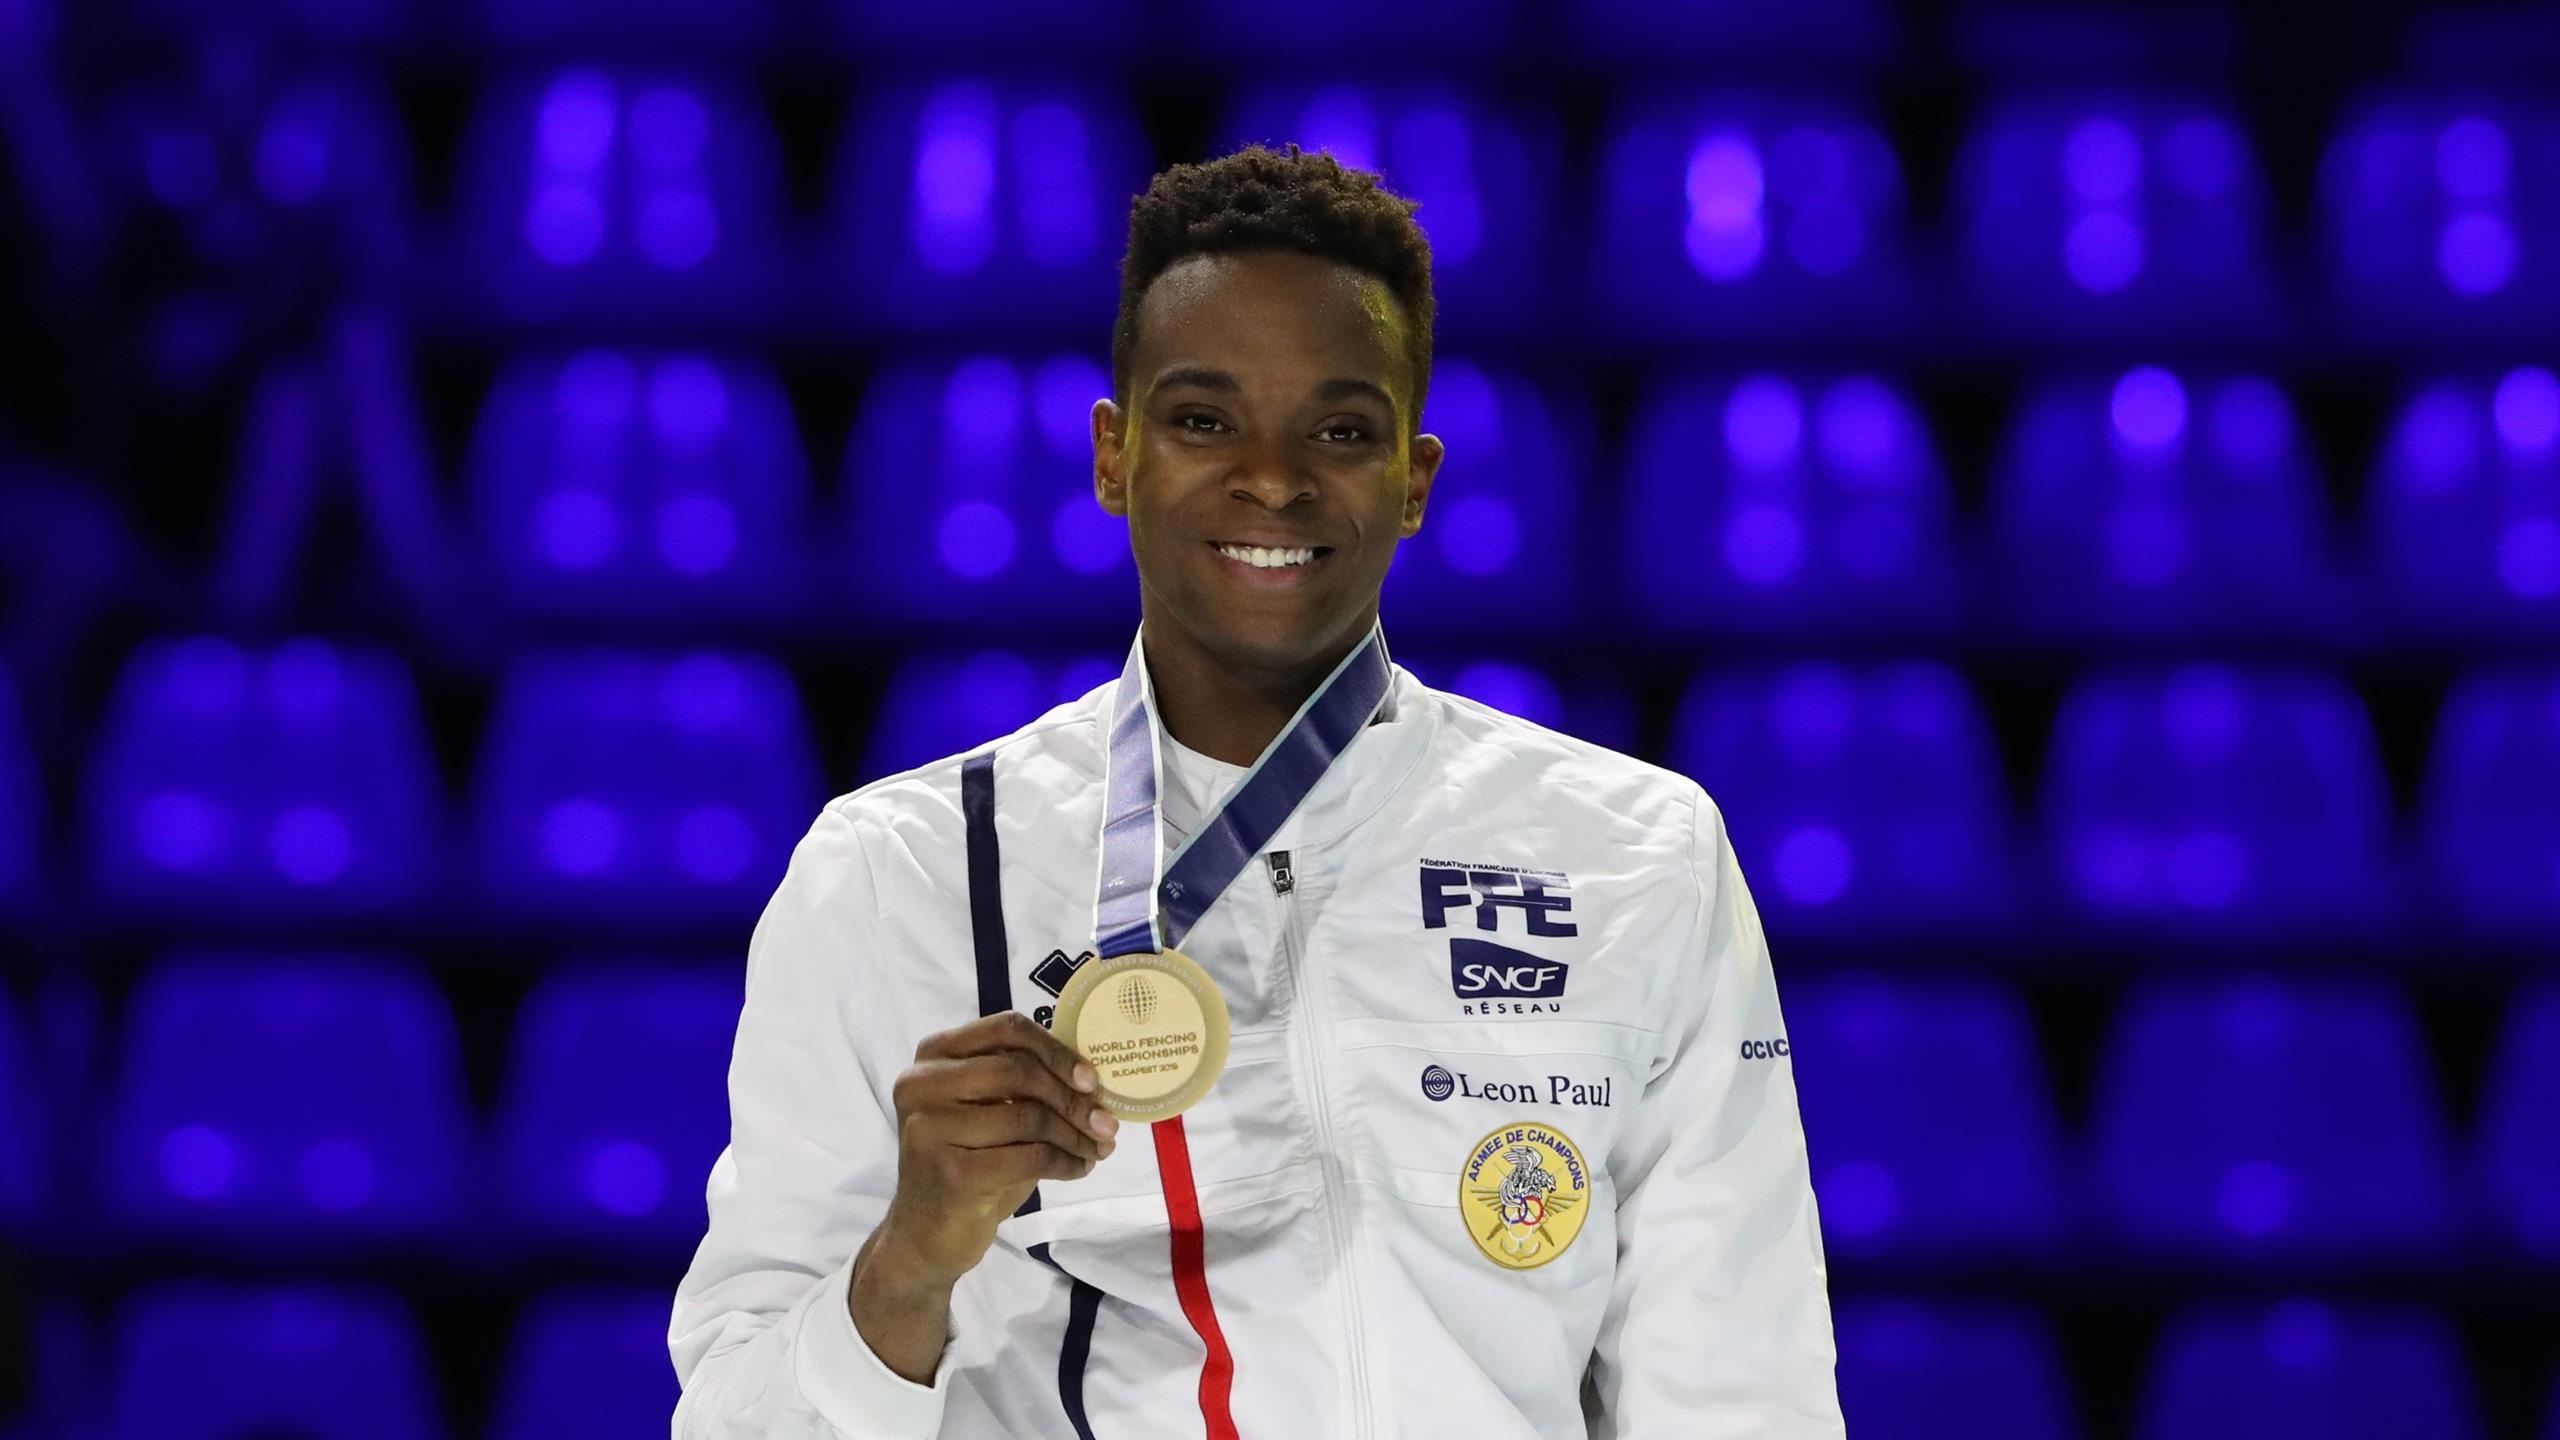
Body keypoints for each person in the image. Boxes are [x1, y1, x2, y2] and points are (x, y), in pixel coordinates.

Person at [671, 141, 1844, 1438]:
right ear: (1114, 456)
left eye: (1340, 429)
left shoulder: (1634, 854)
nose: (1274, 476)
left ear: (1415, 479)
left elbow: (1741, 1388)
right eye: (1204, 418)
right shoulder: (899, 874)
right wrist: (913, 1256)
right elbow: (734, 1422)